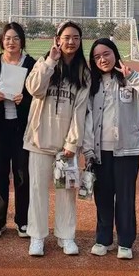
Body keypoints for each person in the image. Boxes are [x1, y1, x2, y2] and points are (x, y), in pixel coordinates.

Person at [82, 38, 139, 259]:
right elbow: (87, 118)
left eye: (106, 54)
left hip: (126, 150)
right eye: (97, 57)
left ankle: (125, 242)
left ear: (115, 54)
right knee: (103, 197)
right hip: (100, 151)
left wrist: (133, 77)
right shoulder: (92, 84)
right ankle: (103, 239)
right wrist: (88, 149)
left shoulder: (129, 79)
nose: (102, 59)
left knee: (125, 197)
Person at [24, 21, 90, 257]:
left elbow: (80, 110)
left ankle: (66, 235)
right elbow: (34, 89)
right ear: (57, 39)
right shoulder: (44, 63)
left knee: (66, 191)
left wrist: (72, 142)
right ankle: (37, 236)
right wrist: (51, 61)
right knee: (37, 190)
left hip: (65, 145)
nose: (71, 42)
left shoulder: (83, 73)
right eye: (66, 37)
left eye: (76, 38)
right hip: (39, 140)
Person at [0, 22, 36, 239]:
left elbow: (40, 95)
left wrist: (25, 100)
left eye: (16, 38)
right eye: (7, 38)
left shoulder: (31, 64)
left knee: (23, 174)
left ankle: (23, 221)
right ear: (2, 41)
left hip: (23, 128)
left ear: (22, 41)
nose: (11, 42)